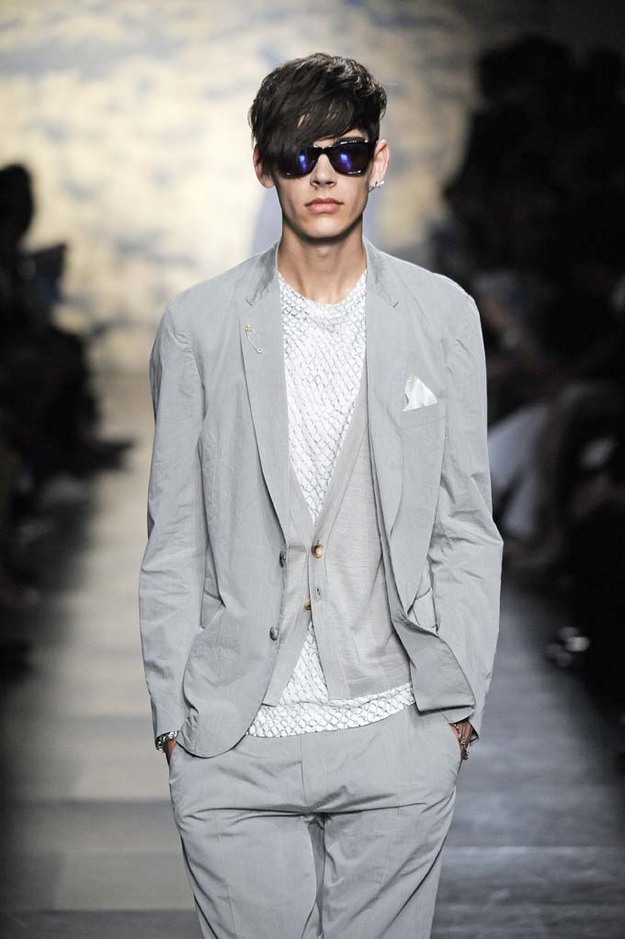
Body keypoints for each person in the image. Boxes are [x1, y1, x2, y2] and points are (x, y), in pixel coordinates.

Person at [139, 52, 502, 939]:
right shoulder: (198, 324)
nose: (324, 175)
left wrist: (455, 709)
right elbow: (173, 535)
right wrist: (173, 721)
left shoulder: (441, 315)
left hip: (396, 727)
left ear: (378, 161)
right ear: (263, 167)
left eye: (345, 152)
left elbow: (463, 523)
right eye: (299, 156)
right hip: (233, 739)